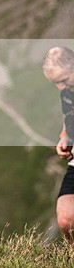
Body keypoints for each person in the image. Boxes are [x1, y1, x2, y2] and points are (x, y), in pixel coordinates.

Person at [42, 46, 74, 243]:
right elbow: (68, 116)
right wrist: (64, 137)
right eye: (55, 83)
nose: (60, 87)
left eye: (63, 80)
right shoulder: (68, 92)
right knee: (65, 219)